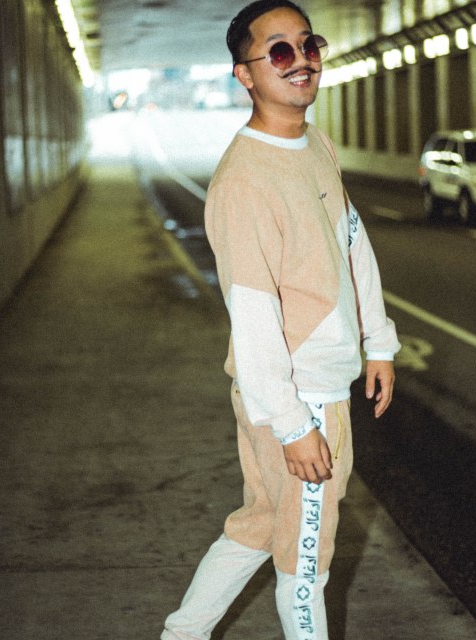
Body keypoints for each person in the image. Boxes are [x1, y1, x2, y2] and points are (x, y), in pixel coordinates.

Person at [161, 1, 400, 638]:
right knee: (305, 564)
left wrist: (378, 341)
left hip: (301, 390)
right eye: (280, 51)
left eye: (308, 44)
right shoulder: (244, 181)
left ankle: (182, 633)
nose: (302, 61)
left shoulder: (314, 143)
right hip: (299, 394)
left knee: (263, 523)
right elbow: (253, 313)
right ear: (245, 74)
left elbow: (352, 243)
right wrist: (294, 424)